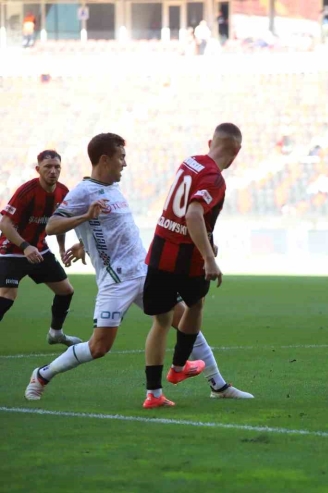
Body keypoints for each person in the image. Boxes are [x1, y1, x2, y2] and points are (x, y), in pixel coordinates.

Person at [25, 133, 250, 406]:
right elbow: (51, 226)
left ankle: (218, 384)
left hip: (143, 271)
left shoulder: (113, 188)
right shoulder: (83, 191)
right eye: (121, 157)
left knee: (187, 319)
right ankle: (41, 375)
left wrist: (85, 243)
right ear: (105, 160)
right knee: (99, 347)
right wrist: (85, 218)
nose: (125, 164)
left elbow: (108, 229)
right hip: (115, 281)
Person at [142, 123, 247, 408]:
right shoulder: (215, 178)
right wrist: (210, 259)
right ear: (236, 151)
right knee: (196, 304)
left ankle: (153, 395)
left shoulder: (190, 162)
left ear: (211, 141)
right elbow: (193, 213)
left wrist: (208, 240)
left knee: (162, 322)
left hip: (161, 248)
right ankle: (177, 368)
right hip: (187, 259)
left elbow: (185, 210)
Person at [0, 150, 81, 347]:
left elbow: (59, 221)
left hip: (39, 250)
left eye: (57, 167)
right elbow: (5, 223)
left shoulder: (63, 191)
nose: (53, 171)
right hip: (13, 249)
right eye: (48, 167)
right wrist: (25, 246)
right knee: (8, 294)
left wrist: (62, 248)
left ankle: (56, 333)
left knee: (66, 290)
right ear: (38, 169)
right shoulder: (27, 191)